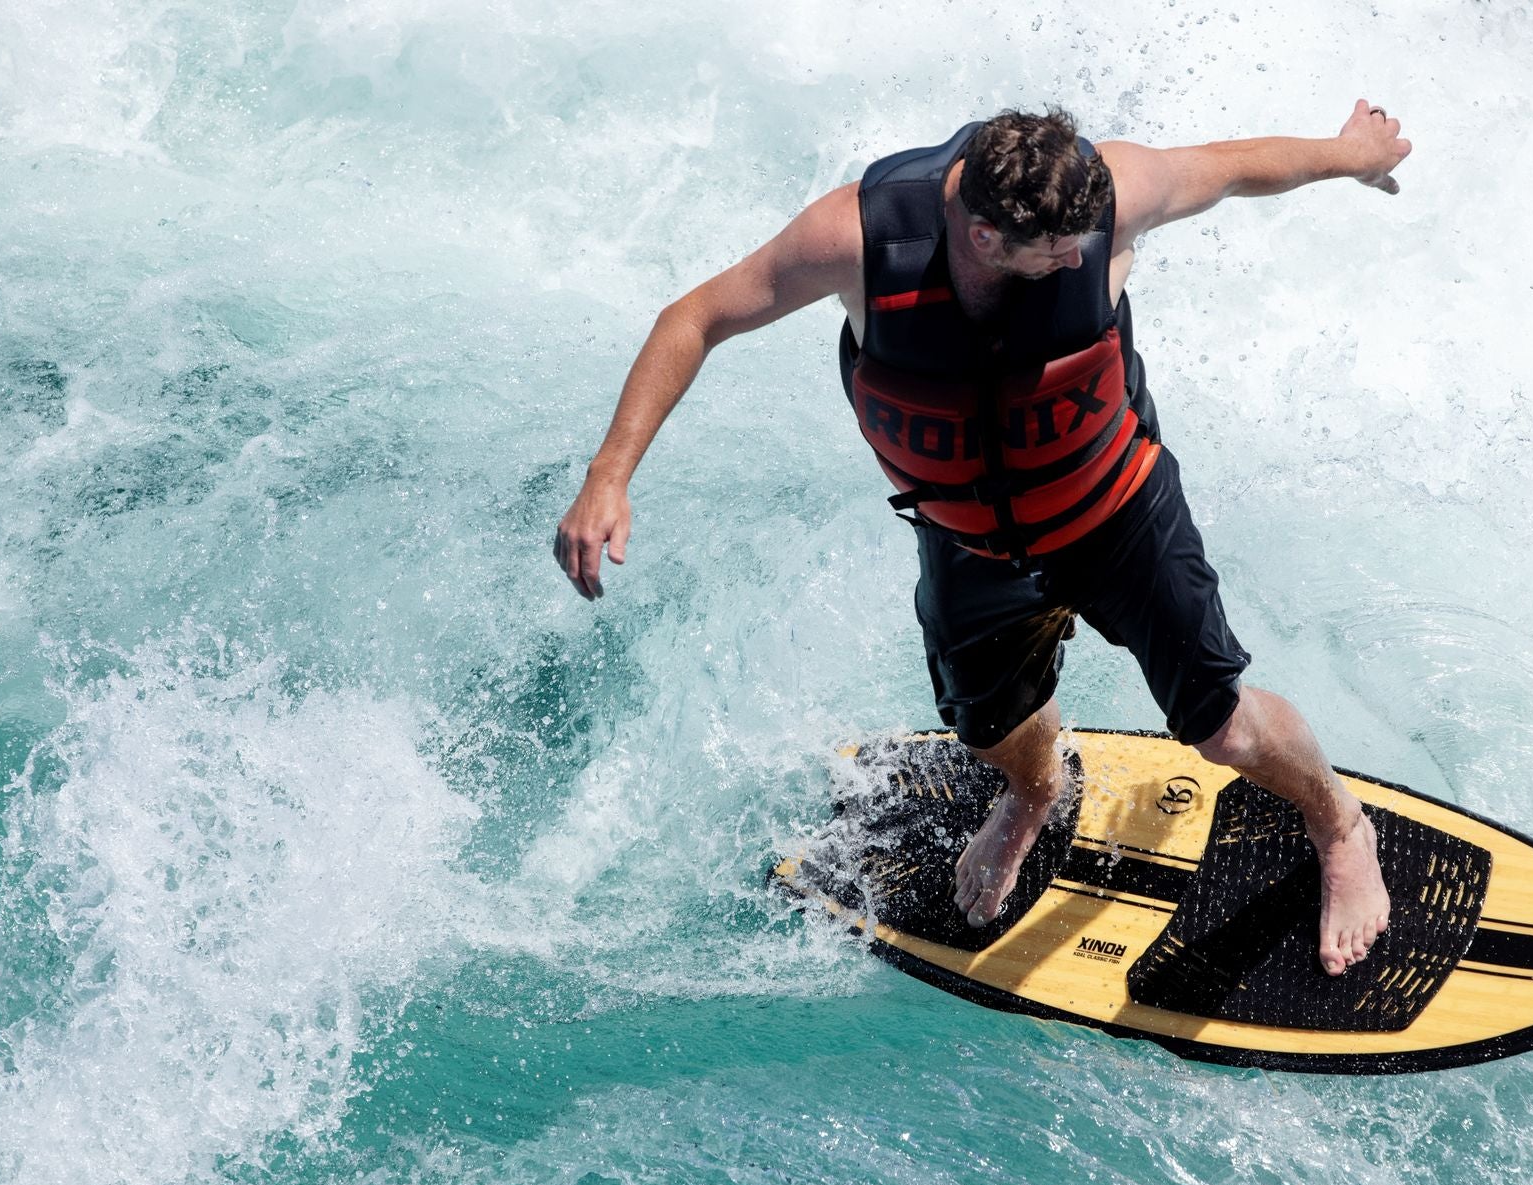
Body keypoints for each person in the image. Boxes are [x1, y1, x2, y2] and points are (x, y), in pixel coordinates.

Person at [556, 101, 1411, 975]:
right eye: (1056, 251)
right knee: (990, 727)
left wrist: (1347, 155)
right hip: (970, 538)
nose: (1081, 259)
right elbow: (694, 317)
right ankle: (1037, 792)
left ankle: (1339, 823)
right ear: (984, 236)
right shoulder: (859, 240)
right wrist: (608, 476)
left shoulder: (1105, 195)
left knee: (1223, 730)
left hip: (1117, 512)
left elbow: (1230, 165)